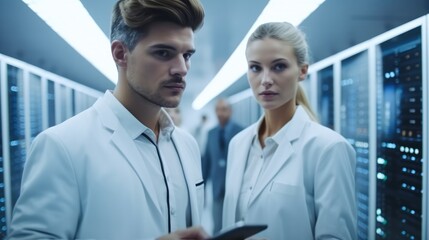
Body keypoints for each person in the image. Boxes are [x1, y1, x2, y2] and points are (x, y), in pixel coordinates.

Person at [7, 0, 209, 239]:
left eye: (187, 55)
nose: (182, 69)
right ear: (120, 53)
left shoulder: (187, 146)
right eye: (163, 53)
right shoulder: (62, 146)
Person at [222, 22, 357, 239]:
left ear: (302, 71)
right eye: (255, 67)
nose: (265, 80)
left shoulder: (328, 148)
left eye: (279, 66)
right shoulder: (238, 144)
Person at [203, 98, 243, 234]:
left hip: (236, 188)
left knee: (235, 228)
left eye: (224, 110)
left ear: (230, 111)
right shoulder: (211, 133)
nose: (220, 113)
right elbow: (207, 162)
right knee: (217, 228)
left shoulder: (242, 132)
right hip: (217, 189)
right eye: (217, 110)